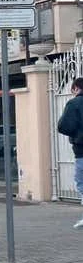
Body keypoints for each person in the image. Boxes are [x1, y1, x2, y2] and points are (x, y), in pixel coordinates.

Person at [57, 77, 83, 228]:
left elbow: (63, 126)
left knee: (81, 183)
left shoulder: (74, 103)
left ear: (75, 88)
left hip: (81, 150)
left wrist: (77, 133)